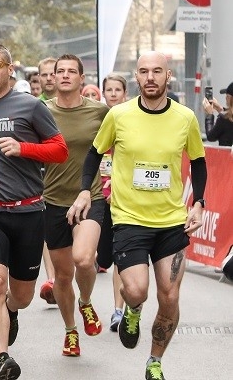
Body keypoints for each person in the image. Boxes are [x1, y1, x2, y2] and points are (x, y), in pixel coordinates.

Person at [79, 51, 207, 380]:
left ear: (168, 76)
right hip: (129, 219)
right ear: (136, 76)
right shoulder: (119, 115)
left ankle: (154, 362)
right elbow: (94, 154)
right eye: (144, 71)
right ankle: (132, 310)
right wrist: (84, 190)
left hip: (171, 221)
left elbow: (198, 161)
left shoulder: (185, 118)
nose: (150, 77)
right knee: (136, 291)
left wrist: (199, 202)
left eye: (157, 71)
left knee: (170, 296)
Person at [0, 44, 67, 380]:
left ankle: (11, 310)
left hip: (28, 212)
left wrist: (23, 147)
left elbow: (60, 150)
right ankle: (3, 359)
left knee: (22, 296)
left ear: (10, 69)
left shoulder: (30, 106)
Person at [42, 55, 109, 357]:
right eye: (60, 71)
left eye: (72, 71)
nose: (65, 75)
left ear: (82, 78)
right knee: (62, 275)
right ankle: (70, 331)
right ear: (53, 77)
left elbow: (120, 146)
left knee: (83, 259)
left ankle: (86, 301)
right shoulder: (42, 111)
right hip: (52, 199)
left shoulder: (99, 111)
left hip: (90, 196)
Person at [97, 73, 129, 332]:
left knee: (121, 256)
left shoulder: (131, 119)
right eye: (109, 89)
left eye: (118, 89)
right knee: (104, 256)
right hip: (99, 197)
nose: (114, 94)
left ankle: (119, 310)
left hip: (126, 200)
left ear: (124, 93)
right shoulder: (96, 119)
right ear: (103, 93)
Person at [36, 56, 59, 304]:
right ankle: (52, 279)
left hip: (70, 177)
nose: (49, 78)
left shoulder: (73, 105)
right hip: (42, 178)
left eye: (53, 73)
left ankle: (64, 278)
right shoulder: (33, 106)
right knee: (46, 230)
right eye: (44, 74)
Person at [202, 81, 233, 146]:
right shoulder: (226, 119)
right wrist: (220, 109)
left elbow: (211, 136)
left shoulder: (224, 120)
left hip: (226, 152)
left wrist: (209, 114)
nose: (226, 98)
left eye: (227, 96)